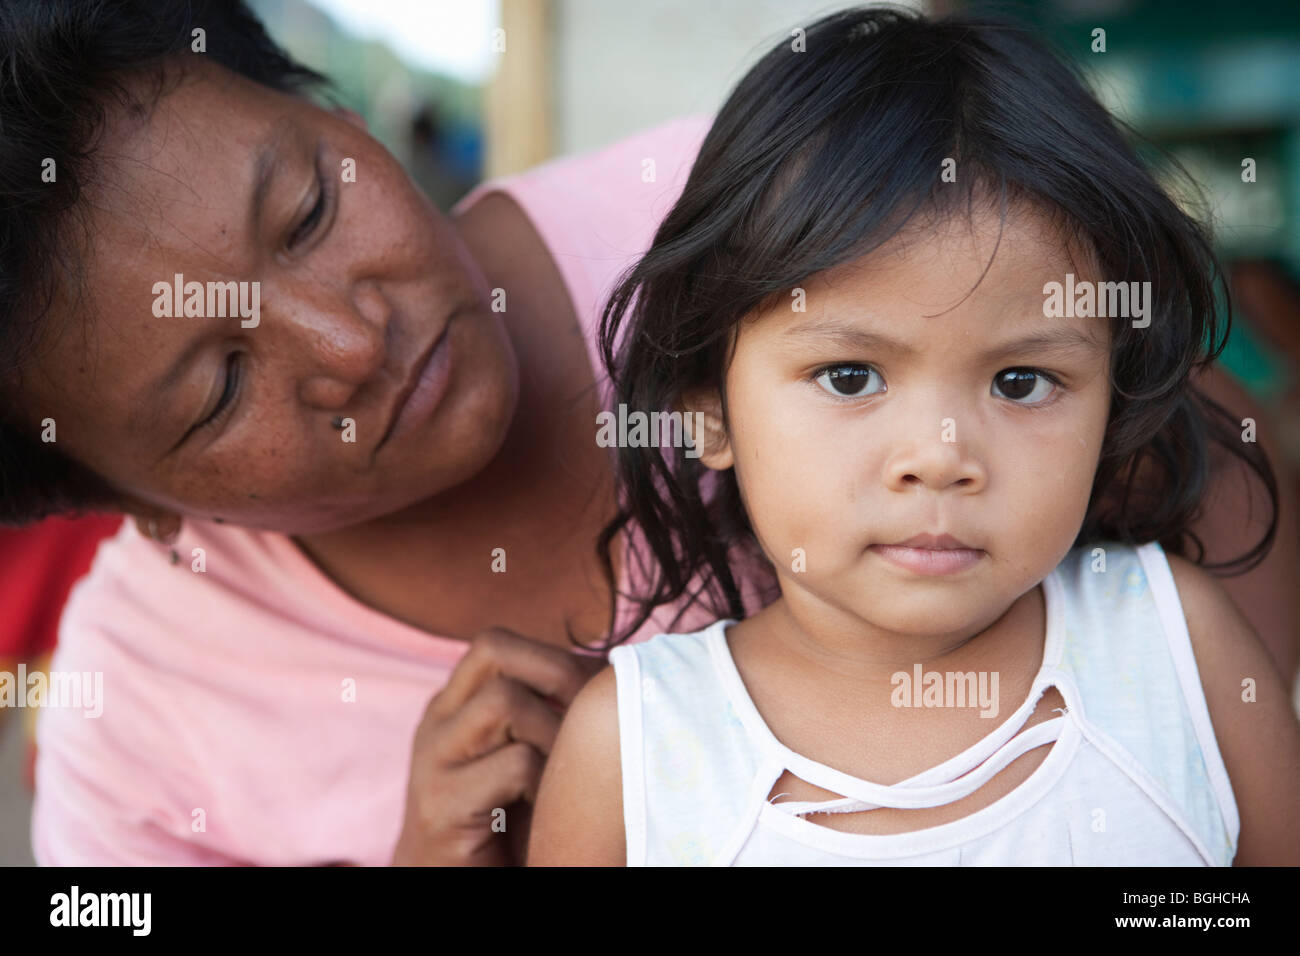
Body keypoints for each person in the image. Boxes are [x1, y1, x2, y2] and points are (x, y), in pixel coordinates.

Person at [528, 8, 1300, 865]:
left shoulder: (1176, 646)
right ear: (706, 410)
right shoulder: (635, 754)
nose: (940, 456)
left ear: (1110, 409)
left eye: (1021, 382)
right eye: (850, 376)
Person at [5, 0, 716, 865]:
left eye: (309, 213)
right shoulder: (129, 746)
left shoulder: (752, 218)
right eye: (222, 387)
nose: (352, 341)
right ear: (134, 505)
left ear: (345, 115)